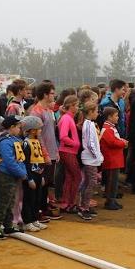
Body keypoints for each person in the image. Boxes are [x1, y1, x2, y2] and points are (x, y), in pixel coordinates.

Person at [0, 116, 26, 240]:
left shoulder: (15, 140)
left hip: (14, 175)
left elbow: (20, 159)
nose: (20, 129)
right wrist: (21, 173)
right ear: (12, 127)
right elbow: (9, 161)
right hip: (6, 175)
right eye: (18, 127)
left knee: (10, 202)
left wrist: (22, 171)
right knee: (3, 202)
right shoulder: (5, 142)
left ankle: (8, 225)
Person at [29, 82, 61, 220]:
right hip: (41, 154)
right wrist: (45, 153)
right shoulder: (36, 111)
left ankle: (44, 206)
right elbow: (38, 136)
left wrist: (56, 151)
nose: (54, 96)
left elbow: (52, 133)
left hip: (52, 151)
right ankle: (38, 210)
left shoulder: (49, 111)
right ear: (45, 95)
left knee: (47, 183)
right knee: (41, 182)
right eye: (52, 93)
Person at [19, 116, 48, 231]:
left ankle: (35, 219)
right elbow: (25, 162)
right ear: (32, 130)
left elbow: (40, 159)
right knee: (28, 199)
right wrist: (29, 178)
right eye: (38, 128)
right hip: (30, 175)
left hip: (38, 174)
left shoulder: (36, 141)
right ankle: (27, 221)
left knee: (37, 198)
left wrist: (42, 176)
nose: (40, 130)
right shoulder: (26, 143)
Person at [78, 102, 102, 221]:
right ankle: (84, 207)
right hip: (90, 159)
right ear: (91, 112)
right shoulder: (88, 124)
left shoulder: (90, 124)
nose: (98, 113)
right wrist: (95, 154)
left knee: (88, 182)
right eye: (96, 111)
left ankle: (84, 205)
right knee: (91, 182)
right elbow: (89, 143)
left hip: (91, 158)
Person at [99, 107, 127, 210]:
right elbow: (112, 142)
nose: (118, 118)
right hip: (112, 159)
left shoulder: (110, 128)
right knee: (112, 182)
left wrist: (121, 141)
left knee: (114, 181)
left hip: (114, 159)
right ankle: (110, 201)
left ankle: (112, 200)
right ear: (109, 117)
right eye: (116, 116)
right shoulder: (107, 129)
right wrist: (123, 143)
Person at [57, 96, 81, 212]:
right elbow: (63, 136)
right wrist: (75, 144)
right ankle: (70, 203)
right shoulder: (67, 118)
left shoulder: (68, 117)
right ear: (71, 106)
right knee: (76, 176)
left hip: (68, 150)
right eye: (76, 105)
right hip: (68, 151)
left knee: (70, 177)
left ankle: (67, 203)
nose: (78, 108)